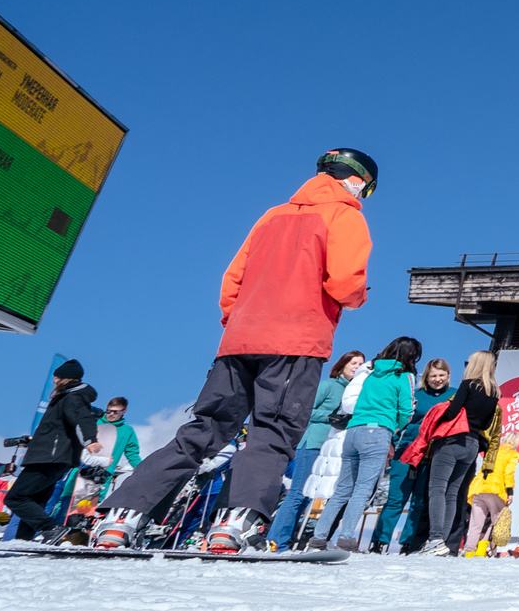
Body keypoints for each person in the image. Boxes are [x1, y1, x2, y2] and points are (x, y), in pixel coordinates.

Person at [95, 150, 376, 552]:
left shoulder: (272, 215)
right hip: (296, 340)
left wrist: (238, 322)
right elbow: (346, 283)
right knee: (273, 430)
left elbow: (234, 278)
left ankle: (122, 517)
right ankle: (235, 524)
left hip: (240, 338)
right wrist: (358, 297)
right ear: (357, 180)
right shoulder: (346, 215)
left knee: (204, 428)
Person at [313, 336, 422, 552]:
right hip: (378, 430)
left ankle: (319, 536)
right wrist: (396, 427)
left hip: (353, 430)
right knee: (362, 489)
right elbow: (406, 410)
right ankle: (345, 538)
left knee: (342, 489)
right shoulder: (405, 376)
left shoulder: (370, 373)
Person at [268, 351, 365, 547]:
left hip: (333, 449)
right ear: (342, 365)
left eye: (360, 364)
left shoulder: (357, 392)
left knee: (309, 496)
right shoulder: (329, 386)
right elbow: (305, 410)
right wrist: (333, 415)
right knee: (298, 493)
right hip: (313, 443)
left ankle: (289, 539)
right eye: (353, 363)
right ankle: (276, 540)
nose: (356, 366)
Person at [418, 351, 501, 556]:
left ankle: (435, 539)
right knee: (452, 494)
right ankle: (443, 543)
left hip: (452, 441)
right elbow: (486, 424)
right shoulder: (494, 394)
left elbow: (453, 412)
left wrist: (438, 413)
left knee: (437, 489)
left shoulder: (468, 385)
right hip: (472, 445)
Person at [7, 360, 99, 540]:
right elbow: (59, 429)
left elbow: (83, 418)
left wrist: (90, 440)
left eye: (57, 377)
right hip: (54, 456)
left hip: (49, 458)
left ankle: (52, 529)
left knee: (15, 498)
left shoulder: (73, 397)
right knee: (35, 500)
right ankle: (23, 541)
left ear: (66, 378)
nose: (54, 381)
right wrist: (34, 441)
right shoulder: (66, 397)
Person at [372, 358, 449, 553]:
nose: (437, 379)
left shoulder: (453, 396)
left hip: (432, 454)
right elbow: (400, 418)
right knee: (396, 497)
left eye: (441, 375)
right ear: (426, 377)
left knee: (420, 500)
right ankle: (379, 541)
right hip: (406, 451)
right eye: (433, 376)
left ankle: (409, 542)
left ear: (448, 376)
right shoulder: (416, 394)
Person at [95, 398, 142, 485]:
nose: (111, 414)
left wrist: (143, 470)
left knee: (92, 498)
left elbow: (132, 454)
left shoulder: (127, 431)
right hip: (82, 468)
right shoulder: (95, 421)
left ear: (124, 411)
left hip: (104, 473)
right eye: (108, 411)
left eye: (115, 412)